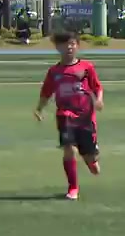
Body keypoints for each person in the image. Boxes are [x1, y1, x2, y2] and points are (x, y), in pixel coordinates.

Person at [34, 31, 104, 200]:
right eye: (65, 44)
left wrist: (99, 100)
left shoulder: (86, 67)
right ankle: (73, 188)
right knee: (69, 149)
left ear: (77, 46)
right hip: (65, 115)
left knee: (93, 166)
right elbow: (46, 93)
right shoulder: (54, 71)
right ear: (58, 47)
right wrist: (39, 109)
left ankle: (91, 158)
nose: (69, 47)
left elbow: (97, 87)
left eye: (72, 44)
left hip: (86, 118)